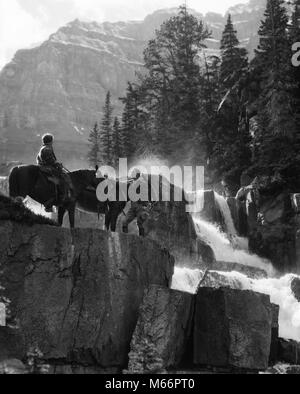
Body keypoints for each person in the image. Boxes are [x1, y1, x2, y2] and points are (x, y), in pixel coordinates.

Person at [37, 134, 72, 212]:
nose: (52, 142)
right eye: (52, 141)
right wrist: (57, 164)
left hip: (44, 167)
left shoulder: (44, 148)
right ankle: (61, 198)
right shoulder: (47, 149)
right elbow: (50, 161)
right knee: (62, 179)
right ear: (50, 141)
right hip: (47, 168)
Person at [122, 170, 151, 237]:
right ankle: (125, 237)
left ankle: (142, 238)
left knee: (140, 223)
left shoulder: (142, 183)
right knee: (124, 222)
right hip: (133, 207)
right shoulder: (133, 182)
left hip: (140, 206)